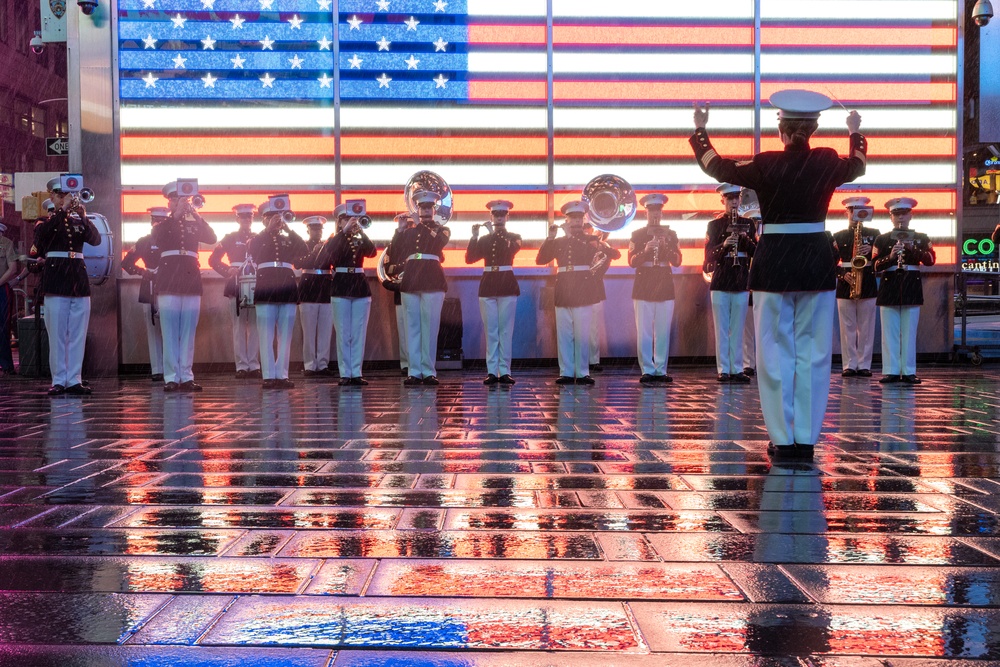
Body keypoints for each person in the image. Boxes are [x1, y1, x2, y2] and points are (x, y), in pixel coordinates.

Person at [691, 90, 866, 458]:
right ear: (814, 128)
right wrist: (854, 131)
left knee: (772, 351)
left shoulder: (766, 163)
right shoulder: (827, 161)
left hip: (773, 264)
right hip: (816, 264)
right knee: (815, 352)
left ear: (782, 131)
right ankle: (806, 438)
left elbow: (717, 166)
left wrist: (701, 130)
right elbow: (858, 165)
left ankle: (782, 439)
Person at [32, 176, 102, 395]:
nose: (66, 199)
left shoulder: (78, 221)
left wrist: (83, 216)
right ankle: (59, 379)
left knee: (77, 334)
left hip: (78, 282)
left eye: (68, 196)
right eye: (61, 195)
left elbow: (96, 240)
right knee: (58, 333)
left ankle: (74, 379)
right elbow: (42, 239)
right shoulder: (45, 222)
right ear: (52, 196)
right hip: (56, 280)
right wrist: (61, 210)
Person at [154, 180, 218, 392]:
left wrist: (196, 215)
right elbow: (157, 237)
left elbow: (212, 238)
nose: (179, 202)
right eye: (174, 199)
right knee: (170, 331)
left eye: (182, 199)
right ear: (169, 202)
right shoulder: (164, 223)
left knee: (188, 331)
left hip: (190, 279)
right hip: (169, 278)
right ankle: (171, 377)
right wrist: (176, 215)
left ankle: (187, 375)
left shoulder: (194, 222)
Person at [536, 201, 607, 385]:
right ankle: (566, 371)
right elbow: (541, 259)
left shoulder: (589, 238)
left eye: (578, 217)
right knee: (565, 333)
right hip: (563, 289)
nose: (575, 221)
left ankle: (582, 372)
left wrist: (569, 236)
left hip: (582, 288)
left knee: (582, 333)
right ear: (566, 219)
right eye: (572, 218)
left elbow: (588, 253)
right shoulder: (559, 241)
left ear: (583, 219)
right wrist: (550, 238)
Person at [873, 197, 935, 385]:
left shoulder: (921, 237)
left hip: (911, 285)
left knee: (909, 332)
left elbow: (931, 260)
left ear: (910, 215)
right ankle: (891, 371)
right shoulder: (882, 239)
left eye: (904, 214)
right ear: (891, 217)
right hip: (889, 285)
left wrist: (911, 249)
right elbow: (874, 266)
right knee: (889, 332)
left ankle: (908, 371)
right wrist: (891, 257)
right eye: (896, 214)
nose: (900, 218)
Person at [249, 197, 307, 389]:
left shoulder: (287, 238)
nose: (276, 220)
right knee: (265, 333)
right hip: (266, 285)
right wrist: (268, 230)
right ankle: (268, 375)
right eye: (271, 217)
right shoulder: (259, 237)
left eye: (279, 217)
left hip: (286, 284)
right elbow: (253, 251)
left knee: (285, 333)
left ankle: (281, 374)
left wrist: (288, 228)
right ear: (264, 219)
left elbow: (304, 249)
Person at [465, 199, 521, 385]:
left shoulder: (514, 236)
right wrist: (474, 237)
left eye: (502, 215)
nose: (498, 218)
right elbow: (470, 259)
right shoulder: (485, 239)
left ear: (507, 216)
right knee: (491, 330)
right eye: (495, 215)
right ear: (491, 216)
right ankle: (491, 371)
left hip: (506, 284)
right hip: (488, 285)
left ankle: (504, 371)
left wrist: (491, 233)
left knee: (506, 330)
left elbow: (510, 249)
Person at [704, 183, 756, 384]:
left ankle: (737, 368)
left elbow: (756, 252)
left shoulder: (748, 224)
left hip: (740, 278)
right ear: (723, 201)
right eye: (729, 199)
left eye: (737, 198)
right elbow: (708, 256)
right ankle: (723, 369)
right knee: (722, 328)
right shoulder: (714, 225)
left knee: (738, 327)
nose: (734, 202)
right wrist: (724, 245)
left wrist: (745, 239)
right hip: (721, 278)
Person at [320, 205, 377, 385]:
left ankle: (356, 372)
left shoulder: (359, 238)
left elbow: (372, 251)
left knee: (358, 332)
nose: (350, 221)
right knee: (344, 332)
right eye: (346, 218)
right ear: (339, 221)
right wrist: (343, 232)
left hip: (359, 285)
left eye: (352, 218)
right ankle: (345, 373)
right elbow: (328, 251)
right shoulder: (335, 239)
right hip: (341, 286)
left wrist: (361, 230)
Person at [628, 193, 682, 384]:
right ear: (646, 214)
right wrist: (646, 251)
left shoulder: (671, 234)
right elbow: (631, 262)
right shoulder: (637, 234)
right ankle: (647, 369)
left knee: (662, 329)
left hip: (664, 283)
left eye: (658, 211)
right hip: (644, 284)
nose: (655, 215)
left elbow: (677, 261)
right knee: (643, 330)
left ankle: (661, 369)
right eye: (652, 212)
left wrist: (665, 247)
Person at [397, 191, 450, 386]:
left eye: (429, 207)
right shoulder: (409, 232)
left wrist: (419, 224)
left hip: (433, 280)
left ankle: (428, 371)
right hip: (412, 280)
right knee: (412, 327)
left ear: (434, 209)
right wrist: (400, 230)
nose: (425, 210)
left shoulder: (442, 229)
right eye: (422, 207)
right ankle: (414, 371)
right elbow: (396, 253)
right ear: (417, 208)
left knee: (430, 327)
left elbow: (438, 243)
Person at [209, 203, 261, 379]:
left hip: (255, 283)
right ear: (237, 218)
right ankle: (241, 365)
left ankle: (253, 364)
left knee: (255, 326)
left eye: (250, 217)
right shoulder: (230, 238)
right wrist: (227, 270)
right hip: (236, 283)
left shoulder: (259, 237)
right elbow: (213, 260)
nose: (247, 220)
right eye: (243, 217)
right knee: (238, 327)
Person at [833, 196, 880, 378]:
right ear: (847, 212)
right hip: (846, 281)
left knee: (867, 327)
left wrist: (871, 251)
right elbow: (830, 261)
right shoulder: (838, 236)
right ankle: (849, 364)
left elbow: (880, 258)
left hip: (867, 280)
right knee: (847, 327)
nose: (855, 214)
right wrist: (841, 274)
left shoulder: (875, 234)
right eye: (851, 210)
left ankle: (864, 364)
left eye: (859, 210)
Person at [121, 207, 167, 382]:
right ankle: (157, 368)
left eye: (162, 221)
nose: (158, 224)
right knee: (153, 327)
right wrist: (142, 272)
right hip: (148, 284)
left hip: (167, 285)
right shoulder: (143, 241)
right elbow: (126, 262)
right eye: (156, 221)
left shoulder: (172, 241)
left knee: (170, 328)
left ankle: (170, 367)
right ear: (151, 222)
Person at [296, 215, 335, 378]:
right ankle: (310, 365)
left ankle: (323, 364)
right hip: (308, 289)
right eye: (314, 229)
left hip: (325, 288)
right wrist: (314, 252)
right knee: (309, 330)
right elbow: (299, 263)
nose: (317, 232)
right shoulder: (302, 245)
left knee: (325, 330)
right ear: (308, 230)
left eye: (319, 229)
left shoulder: (328, 245)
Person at [583, 221, 620, 372]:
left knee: (593, 328)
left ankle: (593, 360)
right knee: (577, 327)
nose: (588, 233)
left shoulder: (601, 246)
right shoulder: (575, 245)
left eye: (589, 230)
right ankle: (580, 359)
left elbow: (616, 255)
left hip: (595, 289)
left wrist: (601, 244)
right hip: (577, 288)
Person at [383, 213, 413, 377]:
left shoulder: (420, 239)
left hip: (419, 288)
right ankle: (406, 364)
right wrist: (399, 231)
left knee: (418, 328)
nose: (407, 225)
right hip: (401, 289)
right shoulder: (396, 243)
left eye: (409, 222)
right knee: (403, 329)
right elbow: (389, 266)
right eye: (404, 223)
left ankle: (416, 362)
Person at [742, 206, 762, 377]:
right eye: (754, 222)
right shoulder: (745, 242)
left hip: (763, 288)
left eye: (759, 222)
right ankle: (748, 363)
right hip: (748, 287)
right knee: (747, 329)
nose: (756, 225)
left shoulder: (764, 243)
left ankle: (762, 361)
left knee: (765, 329)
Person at [0, 221, 21, 378]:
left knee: (3, 327)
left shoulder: (6, 244)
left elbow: (12, 269)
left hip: (1, 289)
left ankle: (6, 364)